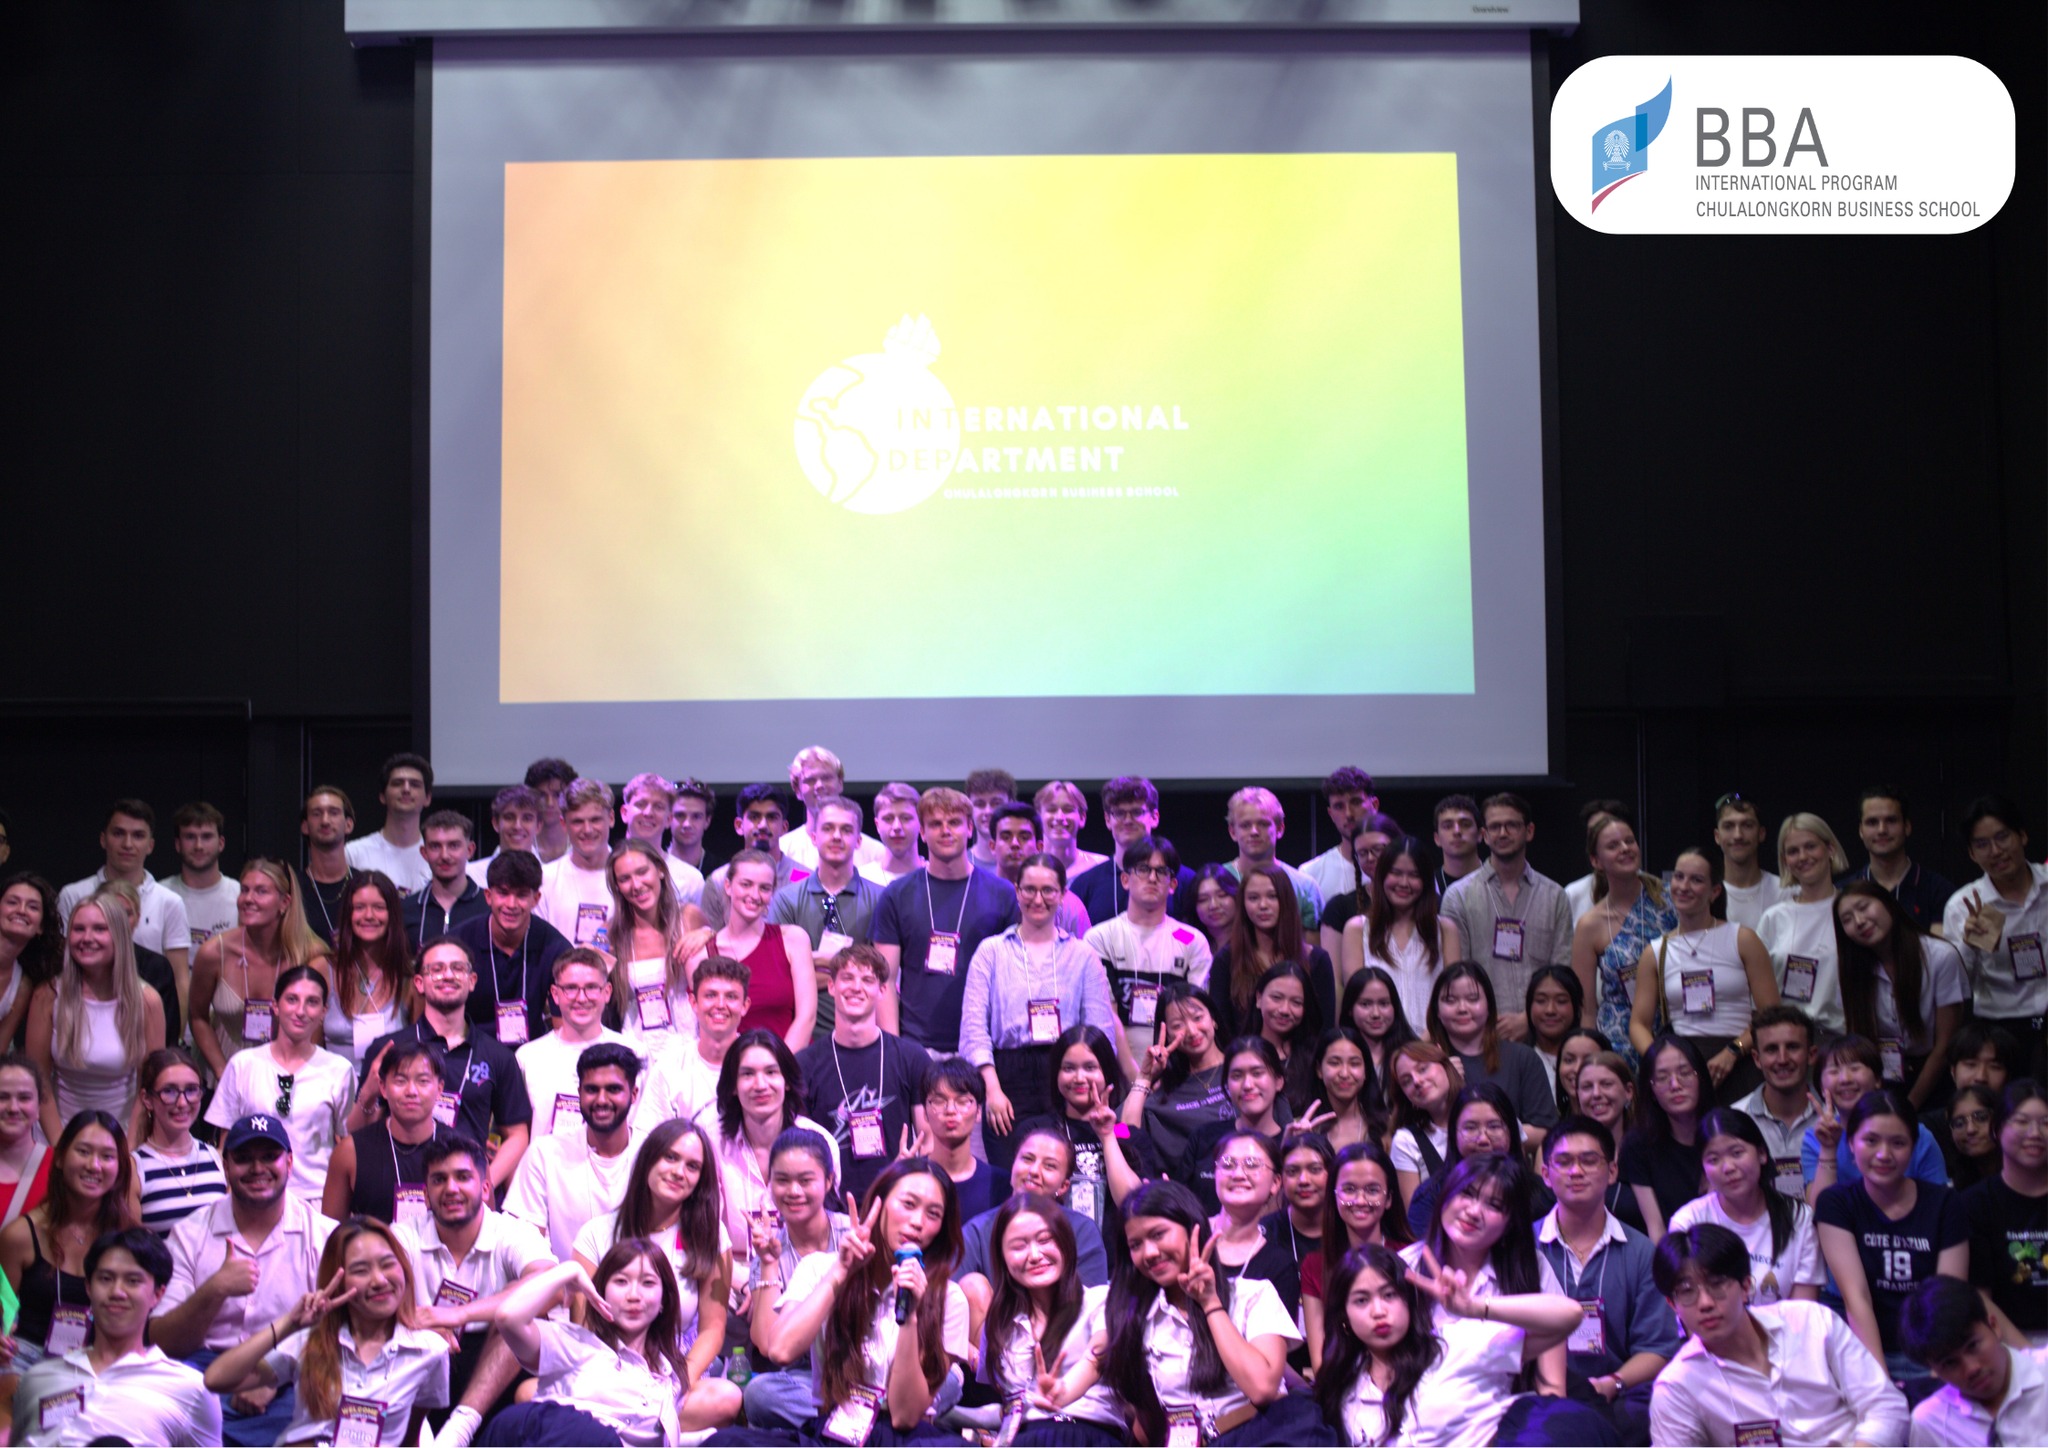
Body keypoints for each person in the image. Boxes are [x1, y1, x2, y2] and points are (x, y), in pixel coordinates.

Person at [750, 1157, 971, 1444]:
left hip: (903, 1439)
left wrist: (909, 1315)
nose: (918, 1222)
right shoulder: (819, 1267)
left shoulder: (950, 1299)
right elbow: (781, 1350)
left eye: (933, 1214)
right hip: (834, 1431)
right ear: (880, 1202)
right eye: (908, 1204)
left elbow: (904, 1416)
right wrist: (841, 1272)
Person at [151, 1113, 339, 1448]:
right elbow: (165, 1341)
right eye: (244, 1158)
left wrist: (271, 1373)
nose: (257, 1168)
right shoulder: (189, 1234)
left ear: (289, 1162)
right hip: (201, 1373)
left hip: (293, 1372)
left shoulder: (324, 1236)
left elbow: (340, 1330)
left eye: (269, 1156)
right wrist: (215, 1290)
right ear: (225, 1166)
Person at [1093, 1178, 1318, 1446]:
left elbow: (1262, 1389)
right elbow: (1149, 1423)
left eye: (1158, 1234)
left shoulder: (1252, 1295)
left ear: (1193, 1229)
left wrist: (1210, 1303)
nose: (1149, 1252)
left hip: (1265, 1435)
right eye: (1135, 1245)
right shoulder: (1137, 1319)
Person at [1647, 1222, 1907, 1447]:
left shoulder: (1813, 1322)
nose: (1705, 1303)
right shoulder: (1677, 1388)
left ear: (1746, 1286)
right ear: (1672, 1305)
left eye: (1716, 1284)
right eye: (1687, 1291)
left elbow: (1887, 1407)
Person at [1314, 1239, 1592, 1448]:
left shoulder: (1454, 1345)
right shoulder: (1344, 1388)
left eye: (1389, 1295)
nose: (1378, 1311)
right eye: (1362, 1300)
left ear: (1408, 1299)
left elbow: (1569, 1315)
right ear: (1344, 1316)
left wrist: (1475, 1307)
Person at [201, 1213, 450, 1445]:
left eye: (387, 1264)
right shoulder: (311, 1341)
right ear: (338, 1282)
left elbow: (410, 1438)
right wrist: (289, 1324)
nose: (379, 1280)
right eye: (361, 1270)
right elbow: (216, 1379)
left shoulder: (430, 1351)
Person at [480, 1244, 740, 1444]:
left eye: (648, 1283)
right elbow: (508, 1317)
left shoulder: (668, 1380)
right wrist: (568, 1271)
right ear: (601, 1292)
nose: (634, 1295)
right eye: (621, 1281)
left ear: (664, 1300)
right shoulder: (575, 1344)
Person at [391, 1134, 553, 1444]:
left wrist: (459, 1314)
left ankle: (460, 1427)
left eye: (463, 1177)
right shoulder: (403, 1236)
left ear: (486, 1188)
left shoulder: (510, 1231)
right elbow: (369, 1300)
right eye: (439, 1179)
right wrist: (411, 1325)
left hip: (499, 1367)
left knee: (522, 1312)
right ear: (426, 1195)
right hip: (426, 1358)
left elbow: (551, 1285)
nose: (451, 1188)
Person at [963, 853, 1119, 1173]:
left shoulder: (1083, 955)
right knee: (1013, 1176)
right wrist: (992, 1090)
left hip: (1068, 1074)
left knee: (1066, 1172)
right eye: (1029, 889)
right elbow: (973, 1030)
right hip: (1007, 1080)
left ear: (1062, 894)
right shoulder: (991, 952)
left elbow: (1101, 1032)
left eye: (1048, 890)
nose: (1038, 899)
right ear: (1017, 891)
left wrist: (1095, 1090)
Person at [1535, 1117, 1683, 1445]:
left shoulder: (1642, 1252)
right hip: (1539, 1393)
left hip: (1620, 1394)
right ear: (1545, 1174)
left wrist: (1611, 1383)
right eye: (1564, 1162)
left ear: (1613, 1171)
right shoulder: (1523, 1248)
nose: (1576, 1171)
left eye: (1589, 1160)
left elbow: (1657, 1348)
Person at [10, 1226, 222, 1446]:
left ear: (158, 1294)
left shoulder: (190, 1390)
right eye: (105, 1279)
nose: (117, 1292)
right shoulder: (36, 1378)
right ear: (88, 1288)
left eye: (133, 1281)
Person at [358, 935, 533, 1194]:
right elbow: (359, 1131)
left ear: (472, 981)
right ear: (419, 983)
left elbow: (518, 1135)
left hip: (465, 1194)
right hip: (399, 1186)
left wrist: (483, 1185)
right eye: (436, 969)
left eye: (457, 968)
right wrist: (368, 1094)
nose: (448, 975)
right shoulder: (389, 1048)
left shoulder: (498, 1055)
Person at [1816, 1086, 1972, 1373]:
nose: (1883, 1154)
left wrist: (1938, 1374)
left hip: (1934, 1353)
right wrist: (1880, 1382)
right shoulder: (1836, 1203)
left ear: (1913, 1147)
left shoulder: (1945, 1203)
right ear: (1850, 1143)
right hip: (1863, 1351)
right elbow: (1856, 1298)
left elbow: (1947, 1299)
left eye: (1898, 1143)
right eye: (1871, 1140)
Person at [0, 1111, 138, 1430]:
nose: (94, 1165)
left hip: (102, 1362)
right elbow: (3, 1312)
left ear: (120, 1168)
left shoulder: (131, 1240)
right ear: (60, 1158)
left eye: (107, 1156)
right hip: (25, 1361)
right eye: (83, 1151)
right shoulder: (20, 1236)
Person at [572, 1120, 732, 1392]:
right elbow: (584, 1327)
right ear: (649, 1158)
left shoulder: (712, 1235)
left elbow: (713, 1330)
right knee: (527, 1391)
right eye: (670, 1157)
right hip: (608, 1372)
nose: (679, 1172)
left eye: (692, 1166)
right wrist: (618, 1386)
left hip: (677, 1372)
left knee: (724, 1396)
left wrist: (675, 1386)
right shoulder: (595, 1234)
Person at [1403, 1153, 1568, 1398]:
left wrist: (1478, 1307)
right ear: (1445, 1196)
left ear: (1510, 1223)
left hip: (1508, 1412)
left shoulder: (1532, 1268)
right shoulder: (1406, 1265)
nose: (1473, 1211)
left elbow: (1552, 1387)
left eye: (1494, 1205)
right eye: (1467, 1194)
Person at [1627, 844, 1778, 1107]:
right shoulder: (1656, 952)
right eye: (1679, 877)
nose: (1684, 886)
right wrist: (1664, 1060)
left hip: (1739, 1057)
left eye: (1696, 880)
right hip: (1683, 1063)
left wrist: (1734, 1051)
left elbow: (1772, 1014)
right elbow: (1638, 1023)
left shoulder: (1742, 939)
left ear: (1715, 891)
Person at [976, 1192, 1131, 1445]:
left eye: (1045, 1240)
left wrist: (1065, 1390)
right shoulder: (998, 1324)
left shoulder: (1101, 1300)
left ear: (1065, 1242)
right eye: (1019, 1246)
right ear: (1002, 1257)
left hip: (1089, 1435)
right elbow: (1005, 1405)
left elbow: (1096, 1358)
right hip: (1024, 1439)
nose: (1035, 1255)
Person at [874, 787, 1020, 1055]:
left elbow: (1015, 978)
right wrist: (894, 1051)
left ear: (970, 828)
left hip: (984, 1046)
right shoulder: (896, 895)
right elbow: (885, 981)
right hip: (915, 1046)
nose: (945, 831)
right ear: (922, 832)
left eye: (954, 822)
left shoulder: (1003, 893)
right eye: (935, 824)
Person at [797, 943, 934, 1209]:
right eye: (847, 978)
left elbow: (927, 1140)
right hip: (829, 1208)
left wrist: (912, 1171)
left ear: (882, 990)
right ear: (832, 986)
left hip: (897, 1201)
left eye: (867, 980)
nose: (856, 987)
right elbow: (801, 1146)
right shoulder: (805, 1064)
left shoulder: (912, 1058)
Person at [205, 965, 352, 1204]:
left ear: (324, 1011)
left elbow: (346, 1142)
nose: (301, 1011)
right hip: (253, 1194)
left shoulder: (339, 1069)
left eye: (312, 1002)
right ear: (275, 1005)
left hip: (316, 1198)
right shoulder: (243, 1064)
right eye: (292, 999)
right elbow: (227, 1140)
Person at [739, 1128, 855, 1432]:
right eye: (782, 1180)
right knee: (760, 1394)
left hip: (866, 1369)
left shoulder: (852, 1235)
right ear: (770, 1183)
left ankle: (837, 1425)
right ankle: (859, 1423)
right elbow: (768, 1345)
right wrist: (769, 1264)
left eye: (805, 1181)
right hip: (806, 1377)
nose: (793, 1191)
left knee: (948, 1379)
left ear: (828, 1181)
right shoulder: (769, 1249)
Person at [711, 1029, 841, 1286]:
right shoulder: (712, 1143)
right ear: (733, 1086)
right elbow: (707, 1237)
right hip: (734, 1277)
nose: (760, 1085)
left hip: (806, 1274)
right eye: (747, 1074)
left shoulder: (820, 1141)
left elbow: (827, 1229)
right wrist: (749, 1284)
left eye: (771, 1072)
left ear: (787, 1081)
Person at [29, 897, 165, 1140]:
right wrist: (61, 1147)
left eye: (99, 929)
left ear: (119, 937)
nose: (87, 938)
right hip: (57, 1133)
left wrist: (128, 1149)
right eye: (78, 929)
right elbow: (38, 1082)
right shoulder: (47, 995)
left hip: (123, 1136)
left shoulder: (147, 1002)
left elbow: (148, 1088)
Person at [504, 1040, 647, 1265]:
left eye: (613, 1089)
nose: (601, 1100)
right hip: (564, 1284)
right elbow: (523, 1243)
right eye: (592, 1089)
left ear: (634, 1094)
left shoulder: (653, 1153)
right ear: (579, 1092)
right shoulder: (545, 1154)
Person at [189, 858, 334, 1078]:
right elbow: (197, 1016)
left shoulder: (311, 955)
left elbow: (317, 1027)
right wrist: (223, 1071)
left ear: (284, 902)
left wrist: (296, 1075)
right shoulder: (214, 953)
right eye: (244, 890)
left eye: (261, 891)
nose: (248, 899)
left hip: (289, 1075)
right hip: (224, 1073)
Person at [1666, 1108, 1823, 1306]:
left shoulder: (1799, 1218)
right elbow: (1689, 1307)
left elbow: (1804, 1313)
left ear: (1762, 1153)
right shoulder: (1688, 1222)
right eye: (1713, 1160)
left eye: (1737, 1153)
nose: (1728, 1167)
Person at [1837, 879, 1968, 1105]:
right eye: (1847, 919)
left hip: (1937, 1077)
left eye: (1864, 907)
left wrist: (1909, 1106)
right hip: (1884, 1076)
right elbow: (1860, 1039)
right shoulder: (1854, 968)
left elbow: (1945, 1044)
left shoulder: (1940, 956)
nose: (1859, 921)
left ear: (1889, 904)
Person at [1946, 795, 2048, 1083]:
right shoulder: (1963, 905)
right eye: (1982, 844)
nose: (1995, 851)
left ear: (2022, 836)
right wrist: (1971, 945)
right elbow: (1956, 985)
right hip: (2001, 1032)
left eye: (2002, 837)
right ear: (1971, 854)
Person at [1083, 836, 1210, 1066]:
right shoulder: (1100, 937)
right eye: (1143, 869)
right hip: (1116, 1064)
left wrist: (1167, 1069)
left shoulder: (1191, 940)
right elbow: (1105, 1015)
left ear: (1172, 885)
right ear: (1125, 879)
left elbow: (1194, 1015)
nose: (1152, 878)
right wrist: (1134, 1074)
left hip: (1177, 1063)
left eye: (1161, 871)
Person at [54, 800, 191, 1013]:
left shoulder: (169, 902)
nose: (127, 844)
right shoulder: (73, 895)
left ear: (150, 845)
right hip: (81, 1013)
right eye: (118, 833)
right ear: (103, 839)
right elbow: (61, 967)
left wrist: (176, 1032)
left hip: (149, 1017)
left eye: (138, 835)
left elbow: (180, 979)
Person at [768, 794, 887, 1034]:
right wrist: (849, 968)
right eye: (828, 828)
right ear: (814, 837)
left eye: (846, 830)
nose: (836, 836)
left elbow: (879, 975)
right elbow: (779, 975)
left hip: (863, 1033)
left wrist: (807, 964)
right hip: (800, 1035)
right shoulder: (786, 899)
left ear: (858, 841)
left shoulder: (881, 898)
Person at [955, 1124, 1112, 1302]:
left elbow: (1090, 1305)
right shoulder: (977, 1231)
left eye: (1050, 1166)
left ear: (1063, 1186)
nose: (1034, 1171)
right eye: (1027, 1159)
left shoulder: (1082, 1231)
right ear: (1013, 1166)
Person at [682, 847, 818, 1050]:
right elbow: (708, 1027)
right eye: (746, 885)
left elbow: (806, 1017)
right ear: (728, 886)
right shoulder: (700, 955)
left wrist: (778, 1065)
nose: (755, 895)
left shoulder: (794, 939)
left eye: (764, 888)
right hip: (731, 1064)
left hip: (791, 1060)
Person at [1034, 1023, 1162, 1232]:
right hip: (1055, 1240)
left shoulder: (1129, 1135)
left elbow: (1132, 1205)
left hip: (1114, 1248)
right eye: (1069, 1068)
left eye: (1090, 1067)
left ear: (1107, 1072)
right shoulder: (1038, 1131)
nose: (1079, 1078)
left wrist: (1107, 1135)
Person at [1899, 1273, 2048, 1446]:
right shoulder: (1932, 1423)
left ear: (1994, 1326)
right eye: (1950, 1363)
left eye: (1972, 1346)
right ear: (1934, 1370)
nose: (1972, 1369)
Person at [1303, 1141, 1411, 1369]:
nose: (1360, 1201)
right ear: (1334, 1196)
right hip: (1342, 1381)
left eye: (1372, 1190)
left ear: (1389, 1199)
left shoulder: (1409, 1256)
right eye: (1349, 1189)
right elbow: (1320, 1361)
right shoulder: (1315, 1265)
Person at [1803, 1034, 1948, 1205]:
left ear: (1878, 1079)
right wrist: (1828, 1149)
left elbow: (1939, 1205)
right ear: (1821, 1086)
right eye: (1834, 1071)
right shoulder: (1815, 1139)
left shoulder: (1917, 1134)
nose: (1845, 1079)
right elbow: (1819, 1210)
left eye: (1855, 1068)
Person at [322, 1039, 452, 1224]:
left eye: (423, 1081)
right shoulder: (350, 1153)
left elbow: (485, 1227)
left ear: (439, 1089)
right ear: (383, 1087)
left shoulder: (463, 1150)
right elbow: (330, 1232)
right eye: (400, 1081)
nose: (411, 1091)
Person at [1569, 814, 1667, 1058]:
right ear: (1596, 860)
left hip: (1673, 1031)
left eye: (1629, 841)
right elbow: (1587, 1010)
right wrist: (1589, 1058)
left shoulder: (1668, 902)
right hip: (1618, 1043)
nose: (1625, 848)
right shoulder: (1590, 925)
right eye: (1613, 845)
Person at [1426, 964, 1558, 1144]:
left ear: (1489, 1006)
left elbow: (1545, 1131)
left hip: (1508, 1160)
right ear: (1437, 1010)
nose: (1462, 1008)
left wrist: (1492, 1134)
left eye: (1473, 999)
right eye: (1450, 1000)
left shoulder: (1522, 1058)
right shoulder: (1423, 1064)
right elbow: (1410, 1131)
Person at [1961, 1078, 2048, 1344]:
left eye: (2046, 1123)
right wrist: (2029, 1356)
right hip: (2006, 1340)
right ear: (1997, 1130)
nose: (2035, 1133)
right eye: (2021, 1121)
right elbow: (1980, 1297)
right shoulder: (1976, 1203)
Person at [1402, 1084, 1549, 1240]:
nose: (1483, 1139)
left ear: (1511, 1132)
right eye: (1471, 1128)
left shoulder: (1541, 1194)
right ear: (1454, 1135)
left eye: (1494, 1126)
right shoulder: (1429, 1197)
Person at [1341, 837, 1458, 1033]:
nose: (1404, 883)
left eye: (1414, 875)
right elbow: (1358, 1002)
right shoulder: (1357, 930)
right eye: (1396, 873)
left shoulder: (1445, 930)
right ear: (1382, 876)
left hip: (1432, 1043)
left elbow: (1452, 997)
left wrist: (1424, 1044)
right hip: (1376, 1044)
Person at [516, 947, 633, 1140]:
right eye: (570, 988)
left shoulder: (632, 1052)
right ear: (555, 994)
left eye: (591, 987)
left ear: (607, 992)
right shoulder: (528, 1057)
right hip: (545, 1159)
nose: (581, 998)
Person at [454, 849, 568, 1047]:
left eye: (522, 895)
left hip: (532, 1054)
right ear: (488, 896)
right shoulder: (457, 944)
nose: (511, 904)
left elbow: (564, 1031)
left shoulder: (556, 948)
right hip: (469, 1051)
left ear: (536, 899)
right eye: (503, 893)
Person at [1213, 863, 1335, 1046]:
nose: (1263, 905)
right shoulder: (1226, 960)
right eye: (1253, 898)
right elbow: (1222, 1029)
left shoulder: (1317, 960)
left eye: (1272, 896)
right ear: (1243, 904)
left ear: (1286, 900)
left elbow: (1324, 1030)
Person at [1756, 812, 1853, 1035]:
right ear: (1785, 861)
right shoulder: (1774, 918)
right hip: (1784, 1038)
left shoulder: (1851, 911)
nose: (1802, 856)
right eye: (1793, 851)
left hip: (1839, 1038)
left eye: (1810, 846)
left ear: (1830, 849)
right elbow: (1756, 990)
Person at [638, 954, 753, 1138]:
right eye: (710, 995)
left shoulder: (762, 1064)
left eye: (731, 996)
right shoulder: (669, 1069)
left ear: (745, 1006)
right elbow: (647, 1138)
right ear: (693, 1002)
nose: (720, 1005)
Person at [1121, 985, 1232, 1168]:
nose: (1192, 1031)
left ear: (1213, 1018)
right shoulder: (1165, 1093)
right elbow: (1123, 1133)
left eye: (1198, 1018)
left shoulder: (1243, 1068)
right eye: (1178, 1025)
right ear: (1168, 1035)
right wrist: (1145, 1077)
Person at [607, 839, 699, 1056]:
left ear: (660, 870)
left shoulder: (689, 918)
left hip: (688, 1044)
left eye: (642, 872)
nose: (636, 885)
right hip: (636, 1048)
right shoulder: (611, 932)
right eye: (625, 879)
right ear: (617, 887)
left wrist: (709, 934)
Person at [1070, 776, 1196, 926]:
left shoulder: (1184, 880)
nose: (1128, 820)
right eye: (1119, 813)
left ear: (1154, 817)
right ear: (1108, 820)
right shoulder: (1085, 884)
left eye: (1136, 812)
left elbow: (1193, 934)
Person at [326, 871, 416, 1076]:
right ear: (348, 914)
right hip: (332, 1090)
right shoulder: (323, 969)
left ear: (392, 914)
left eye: (378, 907)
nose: (368, 915)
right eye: (359, 907)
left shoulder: (409, 977)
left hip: (388, 1091)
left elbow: (419, 1050)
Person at [1730, 1003, 1823, 1202]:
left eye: (1792, 1047)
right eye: (1771, 1049)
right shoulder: (1735, 1119)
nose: (1782, 1059)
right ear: (1757, 1059)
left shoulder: (1835, 1117)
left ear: (1811, 1054)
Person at [1622, 1033, 1711, 1241]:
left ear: (1701, 1077)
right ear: (1651, 1089)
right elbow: (1656, 1228)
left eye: (1684, 1073)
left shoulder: (1724, 1131)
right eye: (1662, 1078)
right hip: (1673, 1251)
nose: (1675, 1085)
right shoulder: (1638, 1144)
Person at [134, 1047, 227, 1234]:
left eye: (191, 1090)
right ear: (147, 1099)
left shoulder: (217, 1160)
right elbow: (132, 1244)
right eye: (169, 1091)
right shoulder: (134, 1169)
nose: (182, 1103)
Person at [1844, 787, 1956, 936]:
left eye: (1891, 820)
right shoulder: (1843, 893)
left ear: (1907, 826)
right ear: (1861, 831)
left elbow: (1940, 949)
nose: (1882, 830)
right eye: (1872, 822)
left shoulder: (1939, 891)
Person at [699, 783, 812, 930]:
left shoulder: (806, 879)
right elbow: (710, 939)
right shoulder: (719, 881)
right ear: (739, 825)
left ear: (784, 827)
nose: (763, 825)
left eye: (772, 817)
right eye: (754, 817)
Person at [1221, 787, 1323, 931]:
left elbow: (1313, 943)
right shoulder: (1215, 882)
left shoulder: (1305, 887)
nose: (1254, 832)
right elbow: (1194, 936)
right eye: (1245, 825)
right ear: (1232, 832)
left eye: (1263, 824)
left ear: (1280, 829)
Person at [96, 878, 182, 1048]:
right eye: (111, 913)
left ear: (137, 918)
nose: (119, 921)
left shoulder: (157, 967)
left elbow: (169, 1036)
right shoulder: (80, 962)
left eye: (126, 914)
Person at [777, 747, 891, 875]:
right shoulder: (783, 850)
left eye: (826, 778)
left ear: (840, 783)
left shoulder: (874, 853)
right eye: (810, 780)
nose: (819, 786)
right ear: (797, 790)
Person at [537, 777, 619, 950]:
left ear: (611, 818)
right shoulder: (545, 879)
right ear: (563, 824)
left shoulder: (630, 878)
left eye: (595, 820)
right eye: (577, 822)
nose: (587, 830)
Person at [986, 803, 1092, 936]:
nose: (1015, 844)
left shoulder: (1069, 904)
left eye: (1024, 837)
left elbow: (1083, 948)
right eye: (1006, 837)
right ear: (992, 846)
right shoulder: (978, 896)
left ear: (1039, 847)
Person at [918, 1059, 1002, 1223]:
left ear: (978, 1112)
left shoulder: (1000, 1184)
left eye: (962, 1102)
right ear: (925, 1113)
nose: (950, 1110)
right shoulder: (908, 1179)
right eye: (939, 1102)